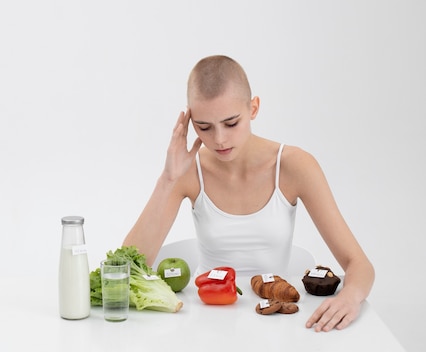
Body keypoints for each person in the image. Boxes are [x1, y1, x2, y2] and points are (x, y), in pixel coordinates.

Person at [122, 55, 375, 332]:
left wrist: (351, 297)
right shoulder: (187, 171)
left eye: (231, 123)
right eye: (204, 127)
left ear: (253, 108)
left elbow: (359, 264)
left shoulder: (294, 165)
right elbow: (125, 268)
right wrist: (168, 179)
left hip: (274, 320)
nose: (219, 139)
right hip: (204, 319)